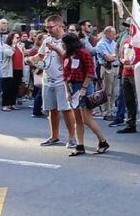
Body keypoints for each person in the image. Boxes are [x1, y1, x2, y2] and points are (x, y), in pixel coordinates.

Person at [61, 33, 109, 156]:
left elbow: (90, 72)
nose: (62, 45)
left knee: (86, 119)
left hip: (84, 86)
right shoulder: (66, 55)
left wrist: (83, 88)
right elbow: (65, 75)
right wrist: (67, 91)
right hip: (72, 87)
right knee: (77, 119)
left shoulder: (84, 53)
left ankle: (103, 141)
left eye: (64, 43)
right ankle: (80, 145)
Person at [37, 16, 78, 148]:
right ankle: (54, 136)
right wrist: (31, 59)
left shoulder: (68, 40)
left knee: (65, 109)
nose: (48, 30)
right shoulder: (47, 40)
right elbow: (40, 55)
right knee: (51, 109)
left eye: (51, 27)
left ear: (61, 26)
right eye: (47, 27)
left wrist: (56, 49)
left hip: (62, 79)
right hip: (48, 78)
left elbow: (70, 59)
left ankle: (72, 137)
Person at [113, 36, 140, 133]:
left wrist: (135, 66)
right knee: (129, 100)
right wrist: (122, 60)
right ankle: (131, 124)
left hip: (137, 73)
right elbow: (122, 55)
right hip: (126, 73)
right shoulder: (127, 40)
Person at [95, 26, 120, 120]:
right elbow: (108, 58)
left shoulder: (114, 43)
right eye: (113, 34)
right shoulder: (101, 44)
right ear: (107, 34)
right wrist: (115, 56)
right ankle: (106, 112)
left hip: (116, 68)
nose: (114, 35)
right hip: (107, 68)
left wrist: (114, 56)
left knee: (114, 91)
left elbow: (118, 55)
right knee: (107, 91)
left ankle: (111, 109)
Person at [0, 32, 19, 111]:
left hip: (17, 69)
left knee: (14, 87)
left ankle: (12, 103)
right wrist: (13, 45)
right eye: (16, 38)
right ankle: (5, 105)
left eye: (18, 38)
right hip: (8, 70)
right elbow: (10, 53)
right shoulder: (5, 46)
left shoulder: (19, 46)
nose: (17, 39)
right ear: (11, 38)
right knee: (7, 88)